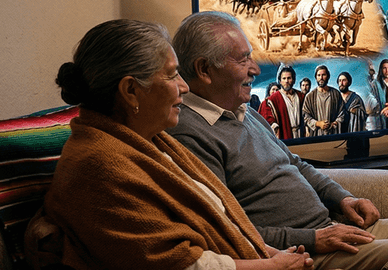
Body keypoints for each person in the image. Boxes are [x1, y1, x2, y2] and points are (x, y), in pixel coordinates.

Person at [168, 11, 388, 270]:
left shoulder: (243, 110)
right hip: (302, 251)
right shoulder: (190, 134)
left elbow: (295, 163)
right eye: (243, 59)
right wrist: (313, 239)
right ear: (204, 70)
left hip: (330, 228)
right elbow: (226, 230)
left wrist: (343, 198)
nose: (255, 69)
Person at [45, 19, 312, 269]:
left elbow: (221, 220)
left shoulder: (150, 141)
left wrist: (271, 253)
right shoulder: (98, 168)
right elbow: (177, 263)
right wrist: (269, 266)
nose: (184, 87)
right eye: (172, 76)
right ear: (130, 91)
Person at [259, 66, 305, 139]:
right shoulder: (272, 99)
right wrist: (274, 125)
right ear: (280, 81)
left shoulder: (301, 96)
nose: (286, 81)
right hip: (284, 135)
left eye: (289, 78)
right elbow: (266, 117)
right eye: (284, 78)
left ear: (293, 80)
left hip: (301, 135)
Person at [302, 65, 345, 137]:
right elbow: (305, 116)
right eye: (319, 75)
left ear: (328, 76)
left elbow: (342, 113)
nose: (321, 78)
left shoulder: (335, 94)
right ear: (316, 77)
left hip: (333, 134)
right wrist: (318, 123)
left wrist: (334, 124)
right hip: (316, 134)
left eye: (323, 75)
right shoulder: (310, 96)